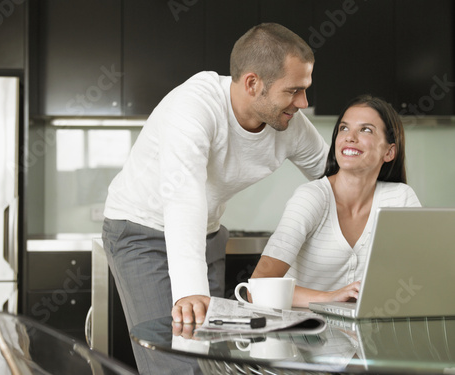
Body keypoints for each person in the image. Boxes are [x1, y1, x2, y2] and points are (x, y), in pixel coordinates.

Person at [102, 23, 329, 374]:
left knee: (212, 362)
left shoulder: (290, 124)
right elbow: (183, 199)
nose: (303, 103)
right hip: (140, 230)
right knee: (177, 365)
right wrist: (190, 291)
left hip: (205, 234)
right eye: (294, 91)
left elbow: (333, 177)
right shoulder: (193, 107)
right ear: (253, 83)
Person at [250, 95, 422, 308]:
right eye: (343, 128)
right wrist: (329, 298)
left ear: (389, 152)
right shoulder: (311, 198)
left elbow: (423, 278)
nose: (350, 137)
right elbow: (257, 287)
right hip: (302, 336)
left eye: (366, 130)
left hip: (367, 336)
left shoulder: (400, 199)